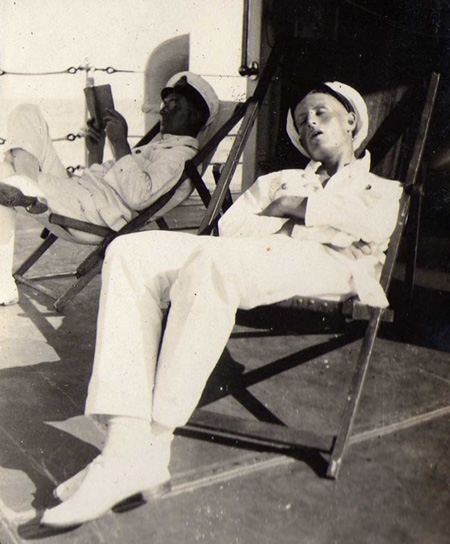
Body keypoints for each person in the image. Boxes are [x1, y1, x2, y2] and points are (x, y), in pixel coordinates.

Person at [41, 81, 403, 528]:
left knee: (214, 266)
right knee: (129, 252)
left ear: (351, 120)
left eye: (321, 113)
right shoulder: (279, 180)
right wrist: (305, 212)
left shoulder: (381, 186)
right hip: (257, 257)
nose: (310, 123)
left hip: (333, 269)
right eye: (302, 120)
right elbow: (232, 229)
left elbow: (374, 223)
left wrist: (291, 210)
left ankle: (153, 442)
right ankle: (124, 443)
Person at [0, 71, 219, 306]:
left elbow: (138, 197)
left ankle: (3, 279)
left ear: (194, 116)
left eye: (174, 104)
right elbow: (111, 181)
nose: (163, 109)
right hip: (79, 193)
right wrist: (96, 147)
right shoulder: (161, 147)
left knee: (5, 172)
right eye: (165, 102)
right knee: (27, 112)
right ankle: (27, 186)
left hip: (90, 213)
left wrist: (120, 142)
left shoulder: (179, 157)